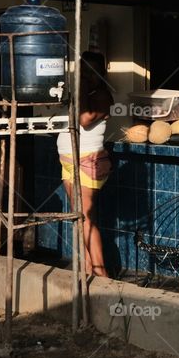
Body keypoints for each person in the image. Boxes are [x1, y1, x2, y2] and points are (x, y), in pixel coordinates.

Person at [58, 51, 114, 278]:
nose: (88, 76)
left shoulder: (102, 96)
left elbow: (85, 118)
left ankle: (103, 275)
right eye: (83, 71)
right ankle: (88, 269)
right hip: (69, 161)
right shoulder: (78, 95)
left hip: (88, 161)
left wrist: (79, 86)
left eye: (93, 72)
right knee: (78, 218)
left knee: (87, 218)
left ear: (101, 74)